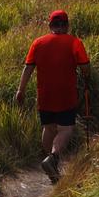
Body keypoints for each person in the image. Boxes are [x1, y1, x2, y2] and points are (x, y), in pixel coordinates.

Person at [15, 10, 90, 183]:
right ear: (67, 25)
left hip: (45, 96)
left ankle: (51, 163)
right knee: (66, 129)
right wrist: (87, 77)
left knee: (48, 128)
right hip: (66, 95)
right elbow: (85, 67)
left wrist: (21, 90)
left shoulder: (38, 43)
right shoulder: (75, 42)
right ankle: (53, 158)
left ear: (50, 25)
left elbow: (28, 68)